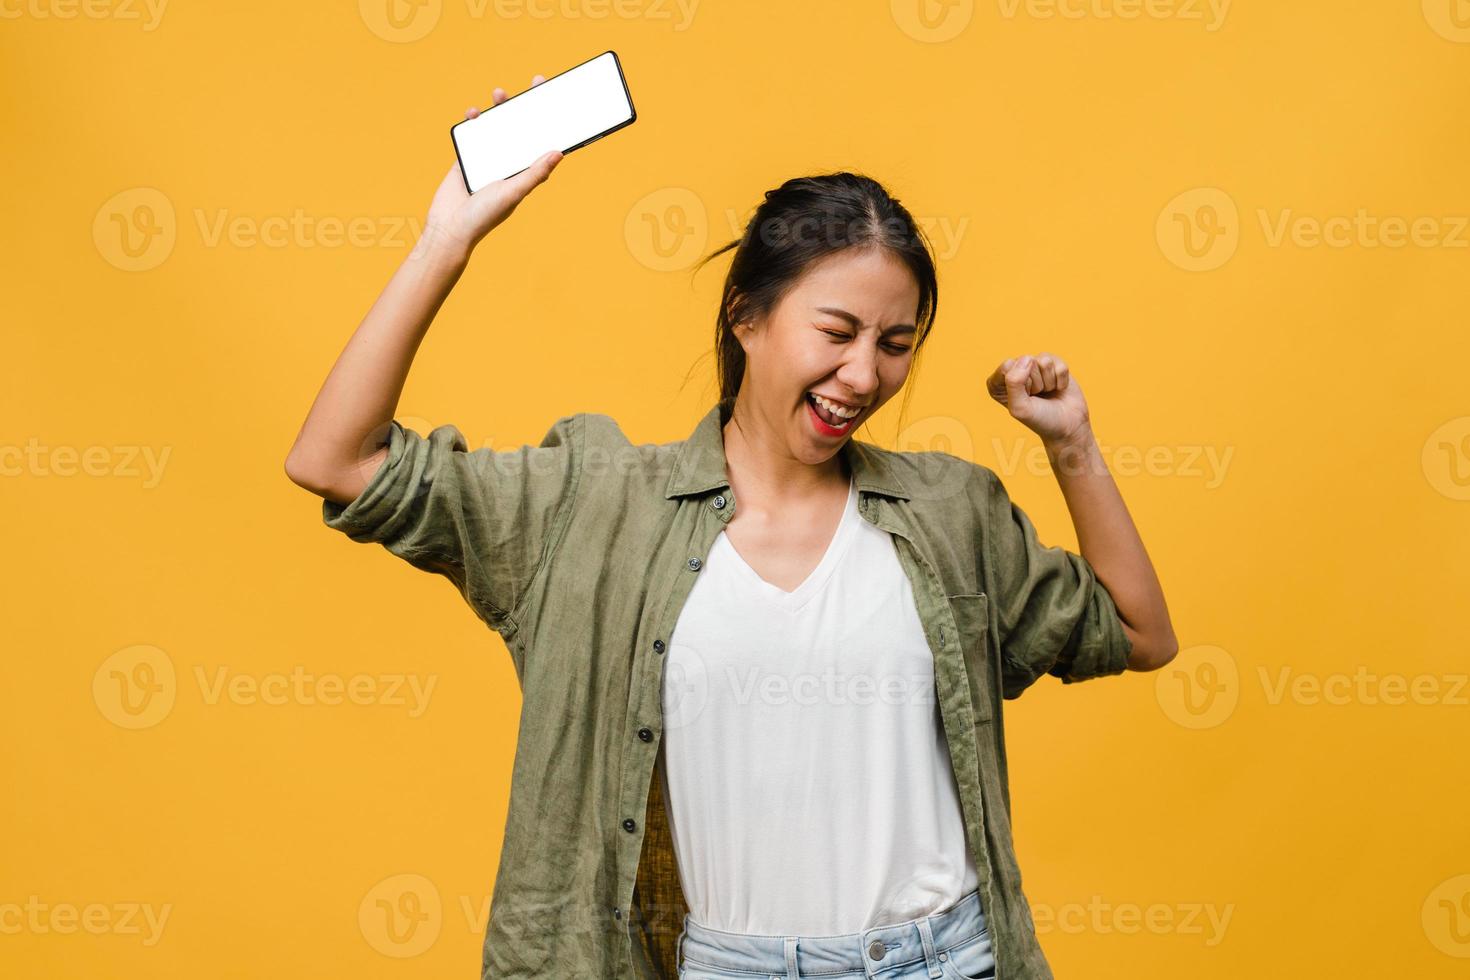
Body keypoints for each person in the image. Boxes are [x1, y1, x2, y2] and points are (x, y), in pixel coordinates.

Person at [285, 76, 1179, 980]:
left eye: (895, 343)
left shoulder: (950, 513)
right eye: (835, 331)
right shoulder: (590, 507)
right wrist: (448, 238)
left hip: (943, 960)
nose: (862, 374)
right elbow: (340, 463)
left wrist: (1072, 444)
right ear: (744, 316)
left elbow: (1140, 631)